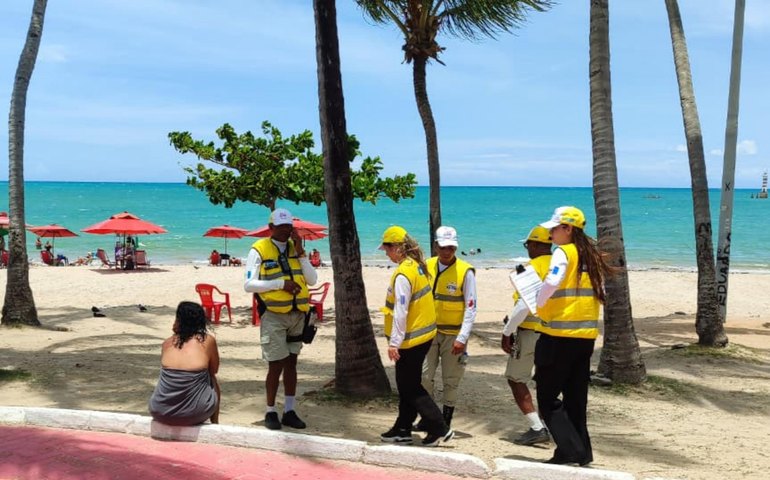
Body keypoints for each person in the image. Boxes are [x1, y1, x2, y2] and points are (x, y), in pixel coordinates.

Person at [534, 206, 614, 466]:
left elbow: (552, 283)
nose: (550, 234)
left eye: (554, 229)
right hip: (585, 337)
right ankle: (581, 452)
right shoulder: (590, 256)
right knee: (575, 398)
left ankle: (569, 450)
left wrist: (537, 302)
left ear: (568, 229)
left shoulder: (563, 253)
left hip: (558, 334)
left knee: (546, 398)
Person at [379, 225, 453, 447]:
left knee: (410, 387)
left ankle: (440, 427)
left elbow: (401, 311)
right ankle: (402, 428)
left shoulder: (403, 273)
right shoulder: (416, 266)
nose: (386, 253)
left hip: (411, 339)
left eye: (388, 248)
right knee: (407, 385)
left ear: (398, 248)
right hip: (423, 335)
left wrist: (394, 343)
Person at [244, 208, 317, 430]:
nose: (286, 231)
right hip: (274, 315)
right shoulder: (259, 250)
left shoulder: (296, 250)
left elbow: (312, 280)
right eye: (282, 227)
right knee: (275, 365)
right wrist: (280, 284)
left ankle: (289, 409)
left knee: (292, 363)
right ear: (271, 228)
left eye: (289, 227)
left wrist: (302, 253)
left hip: (297, 314)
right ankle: (270, 411)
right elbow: (249, 285)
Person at [414, 226, 476, 431]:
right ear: (436, 246)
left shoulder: (465, 272)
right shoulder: (427, 266)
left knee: (451, 380)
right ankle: (429, 417)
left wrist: (462, 337)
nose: (447, 251)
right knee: (424, 376)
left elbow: (471, 307)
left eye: (451, 247)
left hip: (454, 335)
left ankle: (446, 421)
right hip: (429, 333)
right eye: (443, 247)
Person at [501, 225, 552, 446]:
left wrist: (507, 332)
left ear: (534, 244)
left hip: (530, 332)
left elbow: (522, 307)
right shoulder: (563, 266)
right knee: (547, 381)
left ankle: (537, 426)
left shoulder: (527, 269)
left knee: (516, 378)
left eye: (527, 244)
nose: (527, 248)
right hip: (554, 333)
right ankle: (550, 423)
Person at [148, 301, 221, 426]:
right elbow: (214, 369)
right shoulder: (207, 341)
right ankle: (215, 422)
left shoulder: (167, 343)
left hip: (159, 411)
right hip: (195, 414)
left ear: (178, 320)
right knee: (211, 378)